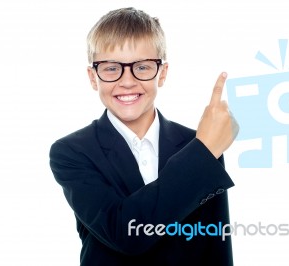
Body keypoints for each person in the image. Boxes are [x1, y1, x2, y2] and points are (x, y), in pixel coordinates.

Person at [49, 7, 239, 266]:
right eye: (111, 68)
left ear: (162, 73)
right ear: (93, 77)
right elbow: (125, 233)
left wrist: (203, 150)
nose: (127, 81)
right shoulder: (71, 152)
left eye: (142, 67)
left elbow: (215, 243)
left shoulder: (198, 144)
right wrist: (202, 153)